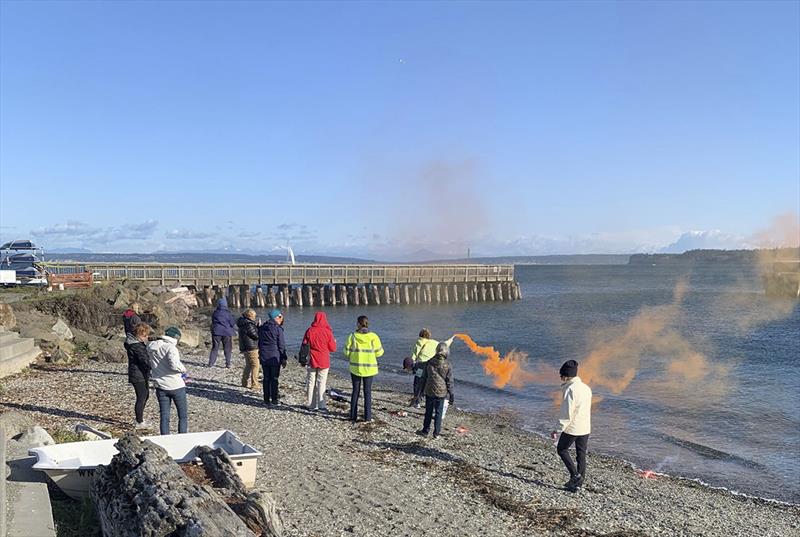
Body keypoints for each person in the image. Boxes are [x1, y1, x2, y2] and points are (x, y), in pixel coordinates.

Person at [550, 360, 592, 492]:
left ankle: (575, 476)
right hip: (585, 427)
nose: (560, 378)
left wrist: (557, 429)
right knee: (581, 455)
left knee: (562, 449)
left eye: (561, 375)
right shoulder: (586, 388)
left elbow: (567, 413)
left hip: (573, 427)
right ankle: (578, 484)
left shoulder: (570, 389)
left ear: (566, 376)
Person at [148, 326, 189, 435]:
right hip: (176, 385)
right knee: (182, 416)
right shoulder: (171, 348)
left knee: (164, 416)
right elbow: (174, 365)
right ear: (175, 338)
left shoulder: (151, 346)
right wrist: (184, 369)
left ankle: (165, 438)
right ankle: (182, 437)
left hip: (160, 385)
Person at [343, 315, 384, 423]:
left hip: (356, 368)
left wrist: (354, 353)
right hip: (369, 369)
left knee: (355, 392)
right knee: (367, 392)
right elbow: (380, 352)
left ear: (358, 324)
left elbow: (346, 352)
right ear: (367, 323)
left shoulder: (352, 336)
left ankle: (353, 415)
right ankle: (368, 417)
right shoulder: (373, 337)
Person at [416, 341, 454, 439]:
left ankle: (425, 431)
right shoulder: (447, 365)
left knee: (428, 411)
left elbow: (423, 377)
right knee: (438, 412)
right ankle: (436, 433)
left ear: (436, 351)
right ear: (446, 352)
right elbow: (449, 381)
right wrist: (451, 394)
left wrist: (420, 392)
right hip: (441, 393)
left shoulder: (429, 362)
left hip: (429, 390)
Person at [302, 312, 337, 411]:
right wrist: (334, 342)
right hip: (324, 360)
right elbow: (333, 348)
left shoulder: (310, 331)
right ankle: (322, 405)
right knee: (321, 382)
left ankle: (311, 404)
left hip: (312, 359)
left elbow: (304, 344)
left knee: (311, 381)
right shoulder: (328, 331)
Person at [124, 322, 152, 428]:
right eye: (145, 336)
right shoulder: (136, 346)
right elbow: (144, 360)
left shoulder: (134, 342)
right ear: (139, 335)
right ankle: (139, 421)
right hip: (138, 374)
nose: (147, 338)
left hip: (139, 373)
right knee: (141, 397)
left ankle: (140, 419)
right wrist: (152, 368)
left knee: (145, 396)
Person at [258, 309, 287, 406]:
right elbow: (281, 345)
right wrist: (284, 358)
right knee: (274, 378)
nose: (281, 319)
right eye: (280, 317)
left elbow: (259, 342)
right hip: (274, 356)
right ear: (276, 317)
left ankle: (266, 399)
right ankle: (274, 399)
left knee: (266, 378)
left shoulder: (262, 328)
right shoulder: (278, 329)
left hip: (264, 356)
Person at [409, 329, 438, 408]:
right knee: (426, 383)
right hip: (430, 365)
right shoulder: (434, 343)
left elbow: (415, 354)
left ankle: (417, 402)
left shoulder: (419, 342)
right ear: (429, 335)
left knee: (417, 382)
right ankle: (423, 399)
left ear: (420, 335)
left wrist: (412, 364)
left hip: (420, 365)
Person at [208, 298, 236, 368]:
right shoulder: (228, 313)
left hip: (216, 332)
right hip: (226, 332)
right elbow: (232, 323)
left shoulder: (215, 313)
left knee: (215, 348)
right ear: (225, 305)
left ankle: (211, 363)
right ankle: (228, 363)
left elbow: (213, 322)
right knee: (227, 348)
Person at [237, 309, 260, 389]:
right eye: (254, 315)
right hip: (251, 347)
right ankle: (254, 384)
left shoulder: (242, 323)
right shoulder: (248, 324)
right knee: (255, 366)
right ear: (250, 316)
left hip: (245, 347)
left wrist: (255, 326)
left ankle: (244, 382)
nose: (255, 317)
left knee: (248, 365)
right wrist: (258, 327)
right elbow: (255, 336)